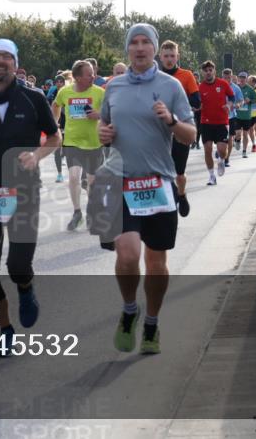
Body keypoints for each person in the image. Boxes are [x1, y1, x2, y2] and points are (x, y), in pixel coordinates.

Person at [99, 23, 196, 355]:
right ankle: (129, 310)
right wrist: (103, 134)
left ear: (155, 49)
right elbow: (104, 123)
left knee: (156, 262)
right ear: (127, 49)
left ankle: (152, 322)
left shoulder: (170, 87)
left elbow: (190, 135)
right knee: (127, 255)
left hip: (158, 183)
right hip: (122, 181)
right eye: (134, 43)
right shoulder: (114, 87)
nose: (139, 48)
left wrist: (170, 120)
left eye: (146, 43)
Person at [0, 39, 60, 355]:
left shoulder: (33, 99)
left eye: (6, 56)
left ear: (15, 64)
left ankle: (26, 287)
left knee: (17, 265)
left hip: (24, 190)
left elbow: (56, 136)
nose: (0, 61)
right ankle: (5, 329)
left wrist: (36, 155)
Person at [52, 59, 104, 231]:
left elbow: (110, 112)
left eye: (93, 74)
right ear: (78, 77)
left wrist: (98, 114)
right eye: (89, 74)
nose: (93, 76)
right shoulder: (64, 92)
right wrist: (55, 124)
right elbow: (56, 105)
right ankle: (77, 212)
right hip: (72, 141)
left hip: (93, 142)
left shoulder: (99, 92)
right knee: (74, 176)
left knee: (92, 181)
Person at [157, 41, 199, 217]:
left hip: (180, 129)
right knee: (162, 171)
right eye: (165, 56)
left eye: (172, 56)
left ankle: (181, 194)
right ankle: (169, 200)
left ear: (177, 57)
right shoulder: (155, 77)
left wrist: (179, 104)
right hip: (160, 131)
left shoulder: (186, 75)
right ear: (160, 57)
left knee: (179, 173)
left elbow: (196, 102)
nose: (169, 59)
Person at [197, 60, 235, 186]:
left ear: (214, 71)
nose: (208, 72)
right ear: (203, 73)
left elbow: (232, 97)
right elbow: (197, 103)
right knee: (207, 150)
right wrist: (197, 107)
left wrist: (229, 105)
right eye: (206, 71)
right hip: (206, 122)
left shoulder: (223, 83)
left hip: (221, 122)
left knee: (222, 150)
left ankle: (221, 160)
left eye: (210, 70)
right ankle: (211, 176)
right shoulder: (200, 87)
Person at [46, 74, 67, 182]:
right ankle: (59, 174)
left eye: (61, 81)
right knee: (57, 150)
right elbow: (50, 108)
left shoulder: (69, 92)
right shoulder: (52, 93)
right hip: (57, 123)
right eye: (57, 82)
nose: (59, 83)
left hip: (68, 123)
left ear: (64, 83)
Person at [235, 72, 256, 158]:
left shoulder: (250, 89)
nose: (242, 79)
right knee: (238, 133)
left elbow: (255, 100)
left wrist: (250, 101)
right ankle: (237, 140)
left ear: (246, 79)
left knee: (245, 134)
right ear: (238, 78)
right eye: (240, 77)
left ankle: (244, 151)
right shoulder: (236, 88)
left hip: (247, 116)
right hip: (237, 115)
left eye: (244, 78)